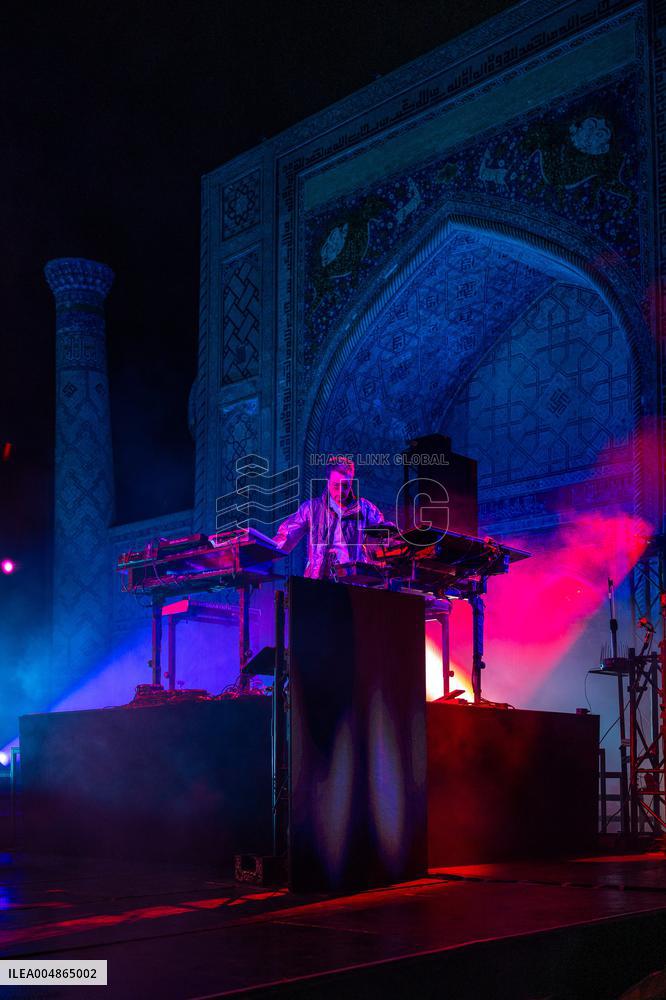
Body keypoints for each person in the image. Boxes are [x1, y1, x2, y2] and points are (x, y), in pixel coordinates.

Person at [272, 456, 388, 580]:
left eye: (345, 486)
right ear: (327, 481)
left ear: (351, 481)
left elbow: (386, 536)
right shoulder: (311, 509)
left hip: (355, 582)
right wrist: (261, 552)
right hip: (319, 582)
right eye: (335, 486)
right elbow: (286, 537)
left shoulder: (365, 509)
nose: (340, 491)